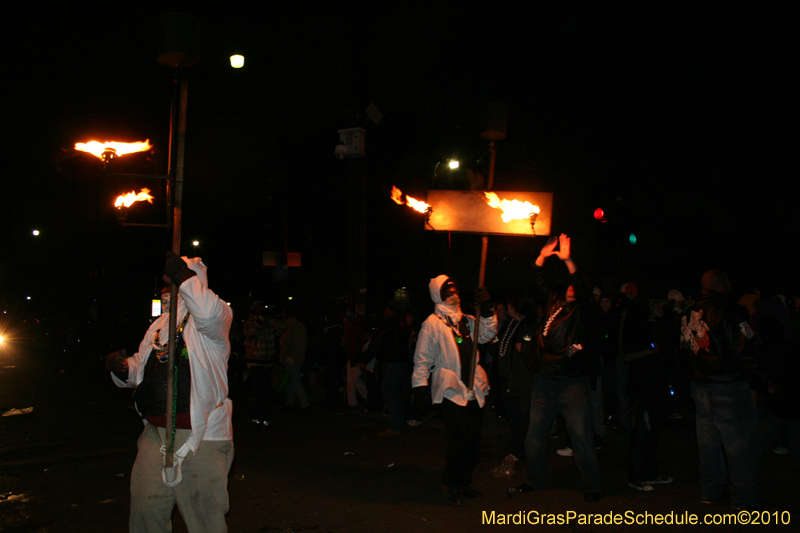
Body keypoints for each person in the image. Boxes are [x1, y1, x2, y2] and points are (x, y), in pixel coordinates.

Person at [105, 252, 234, 533]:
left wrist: (183, 274)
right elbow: (141, 369)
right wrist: (123, 369)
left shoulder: (215, 316)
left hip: (199, 438)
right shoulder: (160, 324)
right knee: (146, 513)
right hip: (154, 436)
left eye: (172, 280)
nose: (166, 287)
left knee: (205, 521)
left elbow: (208, 312)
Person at [516, 234, 602, 502]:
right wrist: (541, 257)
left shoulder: (585, 311)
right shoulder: (553, 301)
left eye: (577, 287)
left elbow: (583, 290)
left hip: (571, 383)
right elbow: (536, 284)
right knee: (534, 437)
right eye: (571, 286)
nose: (572, 289)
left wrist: (568, 260)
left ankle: (591, 486)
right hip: (544, 380)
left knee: (581, 438)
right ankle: (535, 480)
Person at [680, 269, 776, 510]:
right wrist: (767, 380)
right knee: (741, 445)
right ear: (720, 284)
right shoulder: (730, 310)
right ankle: (744, 498)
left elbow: (684, 349)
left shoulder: (687, 311)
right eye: (729, 281)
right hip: (728, 386)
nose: (732, 285)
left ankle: (710, 491)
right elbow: (743, 349)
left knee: (708, 444)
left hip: (700, 386)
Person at [412, 276, 496, 506]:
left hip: (473, 388)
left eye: (456, 291)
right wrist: (420, 387)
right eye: (448, 292)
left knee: (473, 440)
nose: (454, 295)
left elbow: (488, 334)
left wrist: (487, 310)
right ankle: (453, 482)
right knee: (460, 439)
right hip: (450, 389)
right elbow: (422, 359)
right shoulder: (432, 323)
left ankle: (464, 481)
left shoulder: (468, 321)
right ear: (438, 295)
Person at [243, 301, 277, 426]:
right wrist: (260, 319)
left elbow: (280, 329)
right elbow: (250, 333)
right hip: (255, 360)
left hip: (268, 361)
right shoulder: (250, 321)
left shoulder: (269, 321)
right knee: (259, 390)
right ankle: (263, 415)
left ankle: (255, 415)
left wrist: (277, 316)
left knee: (264, 391)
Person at [280, 306, 310, 410]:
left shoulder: (288, 326)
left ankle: (304, 403)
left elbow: (285, 343)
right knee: (292, 380)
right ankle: (290, 402)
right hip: (299, 356)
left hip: (291, 357)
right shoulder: (300, 325)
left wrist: (282, 357)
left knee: (294, 380)